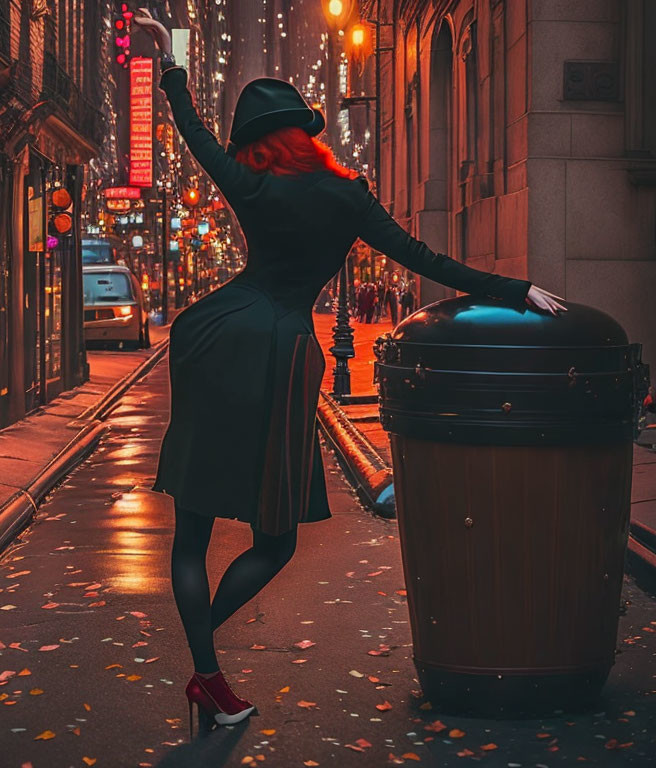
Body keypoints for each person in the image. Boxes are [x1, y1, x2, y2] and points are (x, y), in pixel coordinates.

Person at [134, 7, 566, 739]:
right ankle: (204, 661)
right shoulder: (348, 195)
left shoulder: (250, 181)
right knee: (275, 541)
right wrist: (512, 288)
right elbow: (424, 260)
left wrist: (169, 68)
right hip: (283, 353)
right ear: (306, 134)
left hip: (213, 337)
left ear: (260, 143)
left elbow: (195, 137)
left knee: (192, 530)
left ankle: (205, 666)